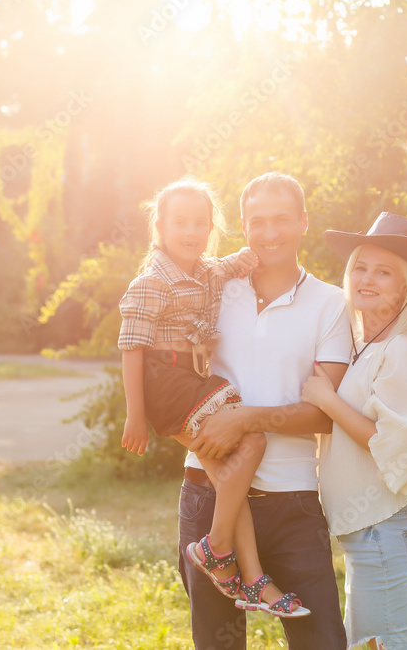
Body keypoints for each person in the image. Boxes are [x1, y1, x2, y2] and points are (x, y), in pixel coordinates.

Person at [117, 177, 309, 618]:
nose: (190, 231)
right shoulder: (150, 282)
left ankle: (251, 578)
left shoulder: (206, 270)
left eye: (199, 223)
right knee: (252, 442)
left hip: (191, 380)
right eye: (179, 222)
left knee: (230, 472)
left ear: (211, 228)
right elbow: (131, 348)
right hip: (165, 382)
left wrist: (251, 254)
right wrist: (135, 415)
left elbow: (231, 265)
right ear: (160, 227)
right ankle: (217, 549)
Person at [178, 172, 352, 649]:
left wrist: (247, 417)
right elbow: (166, 375)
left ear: (303, 222)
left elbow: (325, 413)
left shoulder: (331, 304)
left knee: (321, 642)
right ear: (243, 226)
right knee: (218, 644)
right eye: (257, 221)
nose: (270, 232)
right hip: (207, 493)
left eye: (281, 219)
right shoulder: (211, 291)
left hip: (291, 501)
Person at [301, 212, 407, 650]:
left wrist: (327, 400)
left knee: (386, 644)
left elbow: (396, 442)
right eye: (361, 268)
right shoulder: (366, 348)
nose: (367, 278)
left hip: (386, 529)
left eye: (383, 272)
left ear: (406, 287)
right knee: (384, 641)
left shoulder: (405, 349)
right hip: (371, 532)